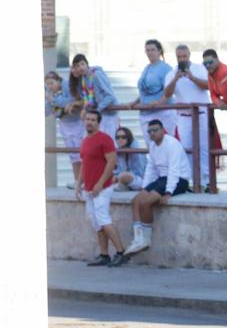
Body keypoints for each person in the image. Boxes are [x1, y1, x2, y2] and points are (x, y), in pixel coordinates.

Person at [125, 118, 192, 256]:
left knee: (145, 203)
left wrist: (169, 192)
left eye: (155, 130)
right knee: (135, 201)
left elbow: (174, 169)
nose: (152, 133)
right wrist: (145, 187)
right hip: (163, 178)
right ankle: (138, 240)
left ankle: (146, 240)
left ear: (162, 130)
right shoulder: (153, 145)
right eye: (149, 131)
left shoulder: (172, 144)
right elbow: (151, 168)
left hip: (179, 179)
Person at [76, 108, 127, 267]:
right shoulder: (85, 140)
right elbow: (84, 164)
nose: (89, 122)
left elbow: (111, 162)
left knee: (104, 220)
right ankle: (104, 255)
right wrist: (78, 185)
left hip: (103, 188)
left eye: (93, 120)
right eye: (87, 119)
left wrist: (99, 184)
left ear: (98, 123)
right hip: (89, 189)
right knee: (96, 222)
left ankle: (120, 252)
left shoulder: (104, 139)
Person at [159, 44, 212, 190]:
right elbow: (167, 93)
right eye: (179, 57)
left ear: (189, 55)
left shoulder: (199, 68)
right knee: (187, 148)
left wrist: (192, 77)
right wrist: (176, 78)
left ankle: (206, 181)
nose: (182, 59)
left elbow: (208, 86)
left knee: (204, 147)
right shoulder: (171, 73)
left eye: (184, 56)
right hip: (183, 115)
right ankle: (192, 181)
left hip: (201, 113)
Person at [201, 49, 227, 180]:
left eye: (210, 62)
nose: (208, 66)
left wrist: (220, 101)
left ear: (217, 60)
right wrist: (218, 101)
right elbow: (212, 95)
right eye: (205, 63)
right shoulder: (211, 73)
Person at [133, 40, 176, 155]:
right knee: (152, 147)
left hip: (162, 113)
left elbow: (169, 91)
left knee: (167, 145)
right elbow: (143, 90)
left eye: (152, 50)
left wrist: (159, 102)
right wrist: (135, 102)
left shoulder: (166, 68)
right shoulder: (147, 68)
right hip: (146, 113)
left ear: (159, 51)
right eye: (147, 50)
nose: (150, 53)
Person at [46, 71, 83, 182]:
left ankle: (83, 181)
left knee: (81, 153)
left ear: (58, 80)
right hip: (64, 123)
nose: (49, 86)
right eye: (47, 84)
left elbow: (71, 100)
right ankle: (77, 181)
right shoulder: (50, 92)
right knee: (72, 155)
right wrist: (51, 102)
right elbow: (48, 111)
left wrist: (55, 101)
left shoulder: (66, 85)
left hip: (77, 122)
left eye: (51, 83)